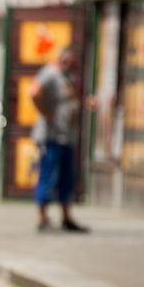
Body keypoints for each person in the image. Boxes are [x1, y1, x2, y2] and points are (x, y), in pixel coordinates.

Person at [30, 47, 88, 233]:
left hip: (66, 136)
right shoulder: (50, 73)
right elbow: (34, 92)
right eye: (72, 61)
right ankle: (42, 217)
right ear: (64, 59)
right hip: (50, 136)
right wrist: (46, 113)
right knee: (47, 175)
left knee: (67, 178)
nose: (74, 65)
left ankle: (66, 217)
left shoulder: (67, 76)